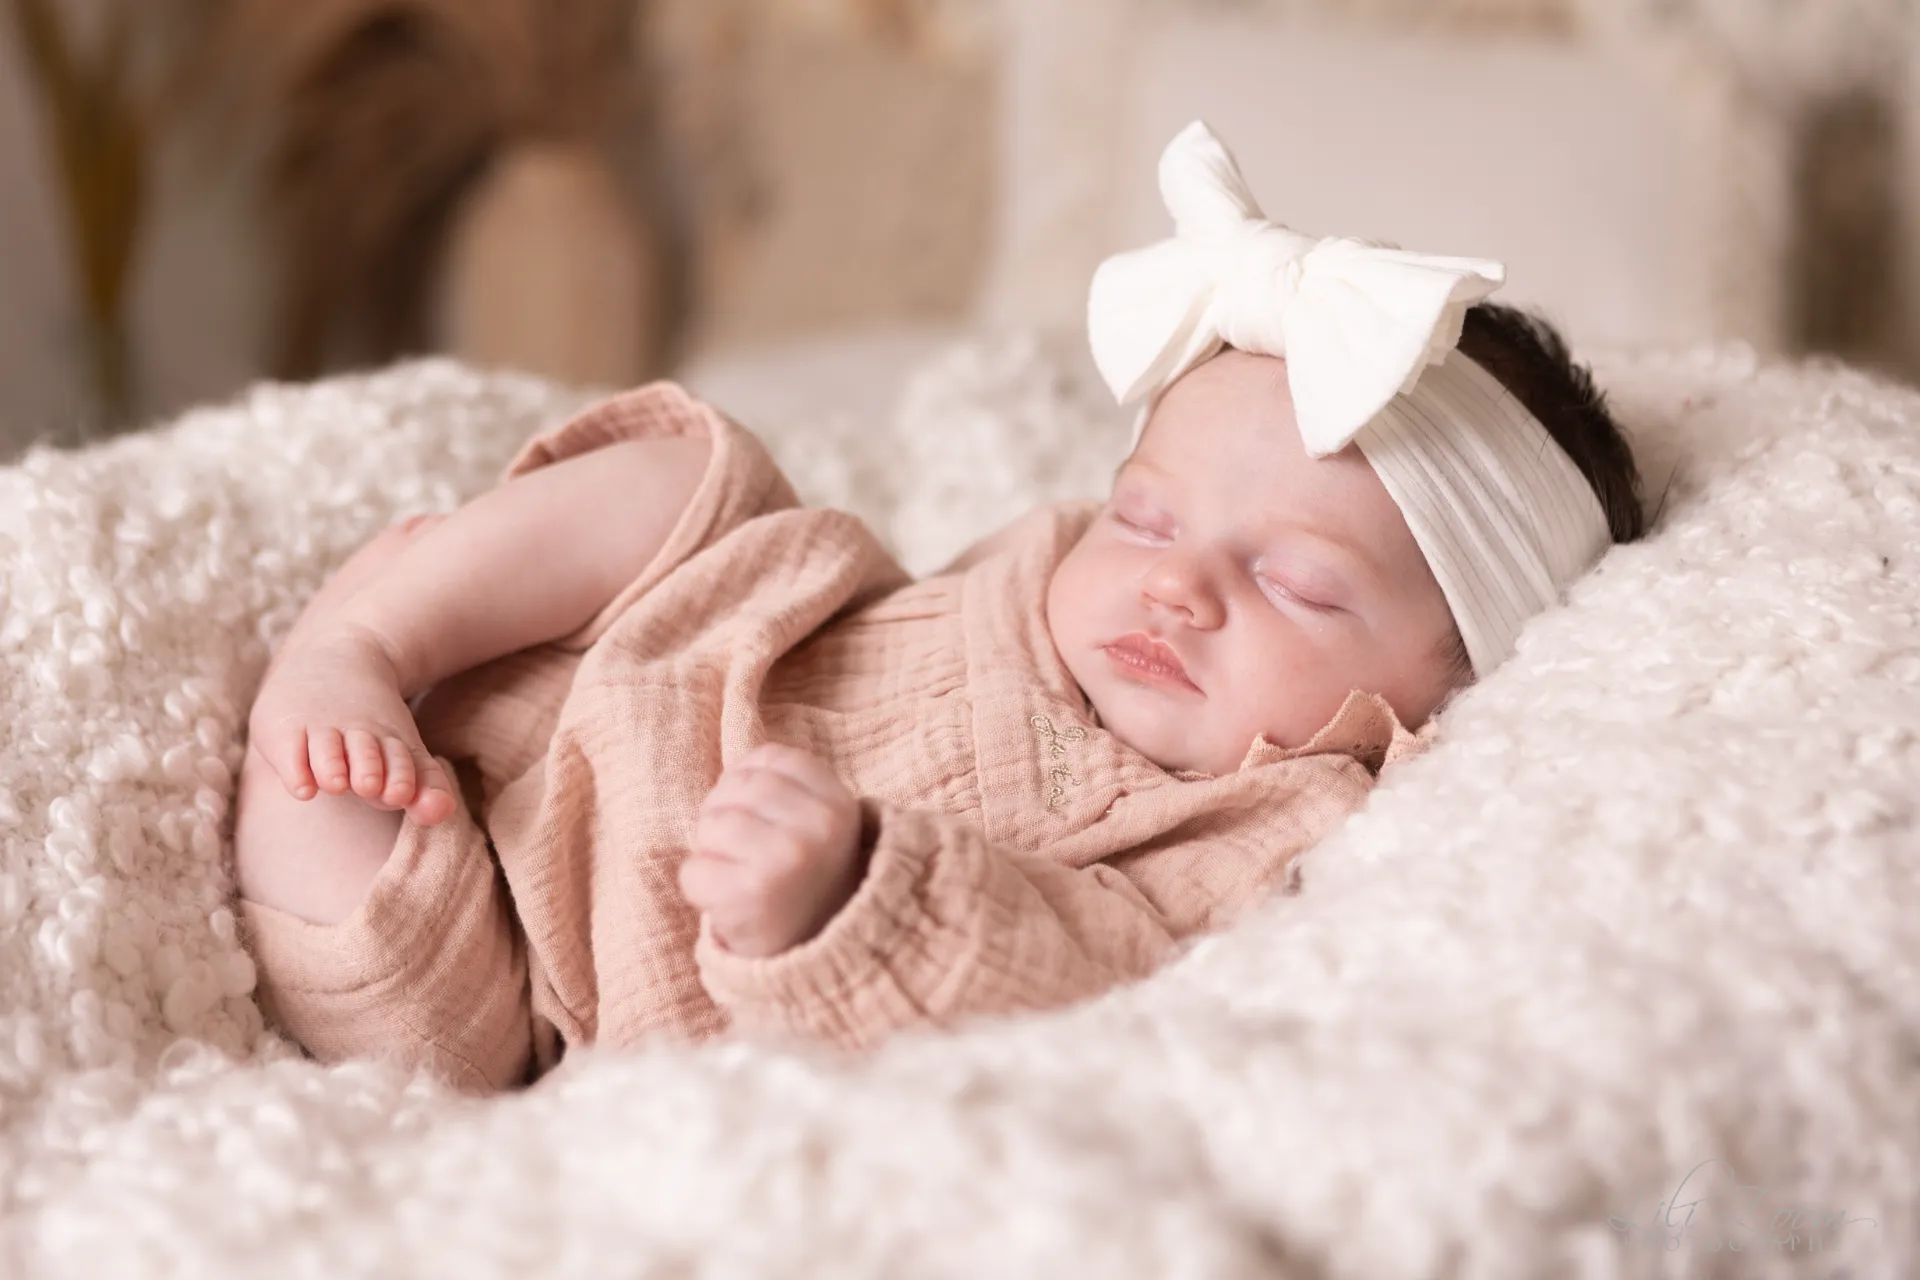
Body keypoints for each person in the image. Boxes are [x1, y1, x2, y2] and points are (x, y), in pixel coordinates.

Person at [231, 121, 1646, 1093]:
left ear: (1454, 686)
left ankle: (315, 721)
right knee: (699, 478)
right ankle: (369, 640)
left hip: (557, 1006)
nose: (1174, 580)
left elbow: (1073, 988)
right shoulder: (1048, 580)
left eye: (1295, 581)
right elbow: (860, 618)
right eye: (1147, 512)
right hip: (668, 673)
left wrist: (843, 896)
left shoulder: (1270, 830)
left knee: (401, 1011)